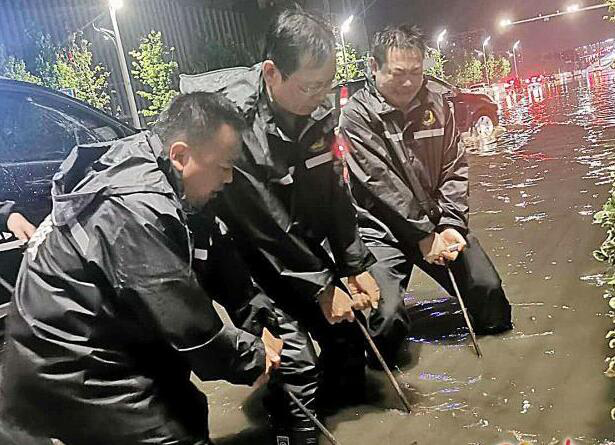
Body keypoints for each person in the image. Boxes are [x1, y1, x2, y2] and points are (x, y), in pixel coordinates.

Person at [0, 92, 283, 445]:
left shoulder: (160, 170)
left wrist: (258, 319)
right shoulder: (137, 208)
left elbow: (214, 251)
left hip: (103, 335)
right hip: (66, 366)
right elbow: (188, 324)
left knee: (186, 409)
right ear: (181, 155)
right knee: (173, 435)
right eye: (224, 166)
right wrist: (254, 359)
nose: (228, 179)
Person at [186, 7, 380, 444]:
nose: (321, 95)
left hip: (294, 245)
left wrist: (353, 263)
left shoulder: (316, 106)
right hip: (241, 255)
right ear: (271, 73)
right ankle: (292, 430)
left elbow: (334, 185)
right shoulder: (234, 117)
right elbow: (262, 219)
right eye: (310, 86)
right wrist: (322, 286)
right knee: (298, 365)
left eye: (326, 84)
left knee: (349, 340)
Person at [339, 25, 513, 365]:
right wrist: (421, 235)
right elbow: (380, 182)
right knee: (385, 320)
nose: (408, 82)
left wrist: (451, 225)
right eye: (397, 73)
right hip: (381, 232)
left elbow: (455, 166)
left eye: (416, 72)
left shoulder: (438, 104)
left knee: (489, 294)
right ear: (373, 68)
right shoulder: (355, 117)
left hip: (436, 224)